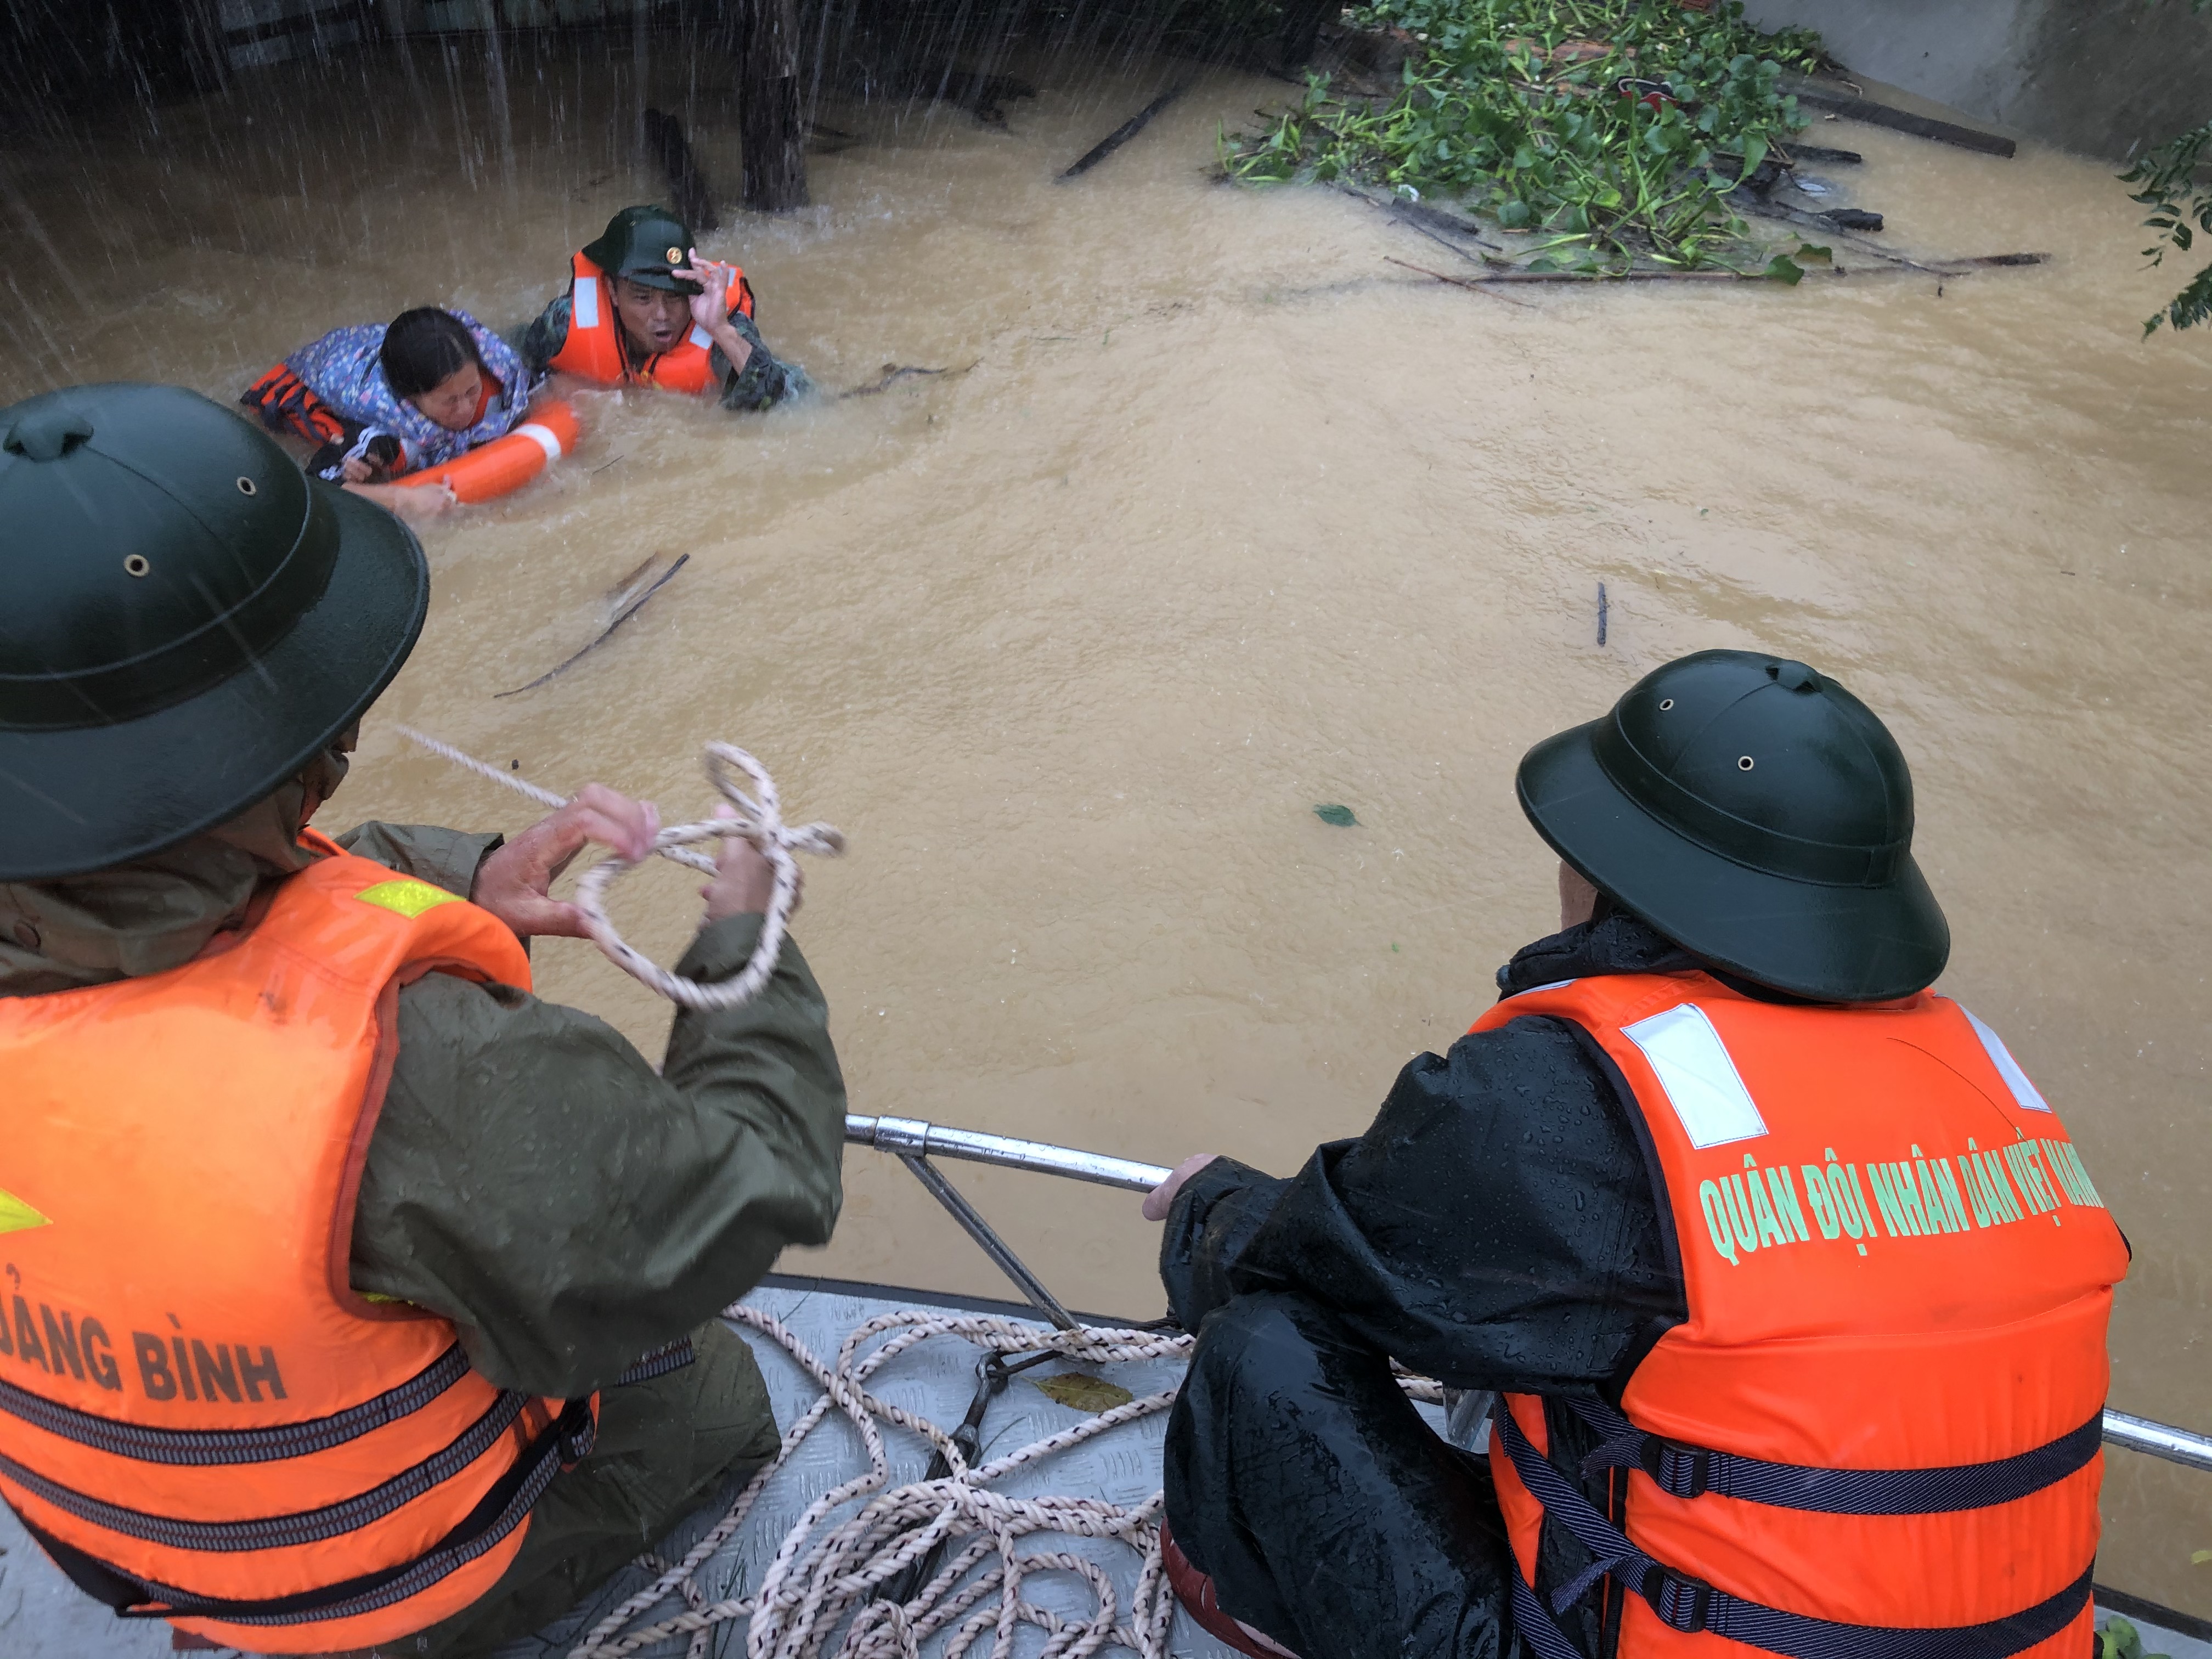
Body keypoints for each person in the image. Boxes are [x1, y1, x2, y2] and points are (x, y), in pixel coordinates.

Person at [0, 382, 845, 1657]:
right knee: (702, 1385)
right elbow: (749, 1189)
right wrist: (747, 939)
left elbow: (175, 907)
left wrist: (462, 877)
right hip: (374, 1593)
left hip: (130, 1544)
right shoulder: (429, 1072)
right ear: (310, 741)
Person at [1141, 650, 2128, 1659]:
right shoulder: (1994, 1089)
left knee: (1261, 1348)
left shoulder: (1575, 1096)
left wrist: (1206, 1207)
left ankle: (1248, 1617)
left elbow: (1323, 1256)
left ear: (1615, 876)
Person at [244, 304, 539, 523]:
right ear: (410, 400)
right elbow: (316, 487)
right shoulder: (384, 429)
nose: (466, 408)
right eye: (449, 402)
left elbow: (538, 382)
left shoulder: (496, 371)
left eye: (472, 391)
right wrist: (403, 499)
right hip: (316, 381)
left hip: (376, 347)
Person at [517, 204, 810, 411]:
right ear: (612, 292)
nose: (662, 315)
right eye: (643, 298)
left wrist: (721, 329)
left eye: (674, 298)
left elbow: (781, 403)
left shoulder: (722, 325)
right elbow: (510, 363)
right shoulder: (565, 322)